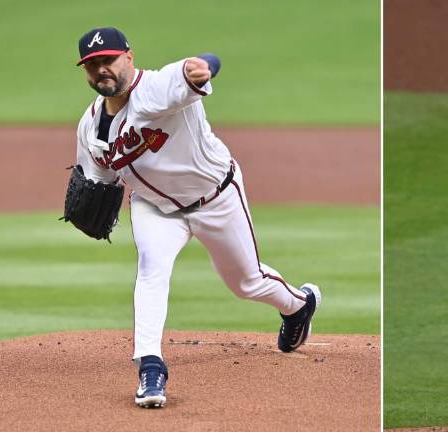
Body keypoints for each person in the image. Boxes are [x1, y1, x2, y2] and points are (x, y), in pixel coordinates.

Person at [74, 27, 322, 408]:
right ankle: (150, 367)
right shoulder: (89, 126)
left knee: (246, 282)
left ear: (129, 57)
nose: (101, 70)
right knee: (151, 270)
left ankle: (299, 306)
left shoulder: (156, 89)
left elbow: (198, 69)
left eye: (108, 60)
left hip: (215, 197)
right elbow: (97, 179)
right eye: (93, 65)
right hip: (154, 207)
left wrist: (202, 67)